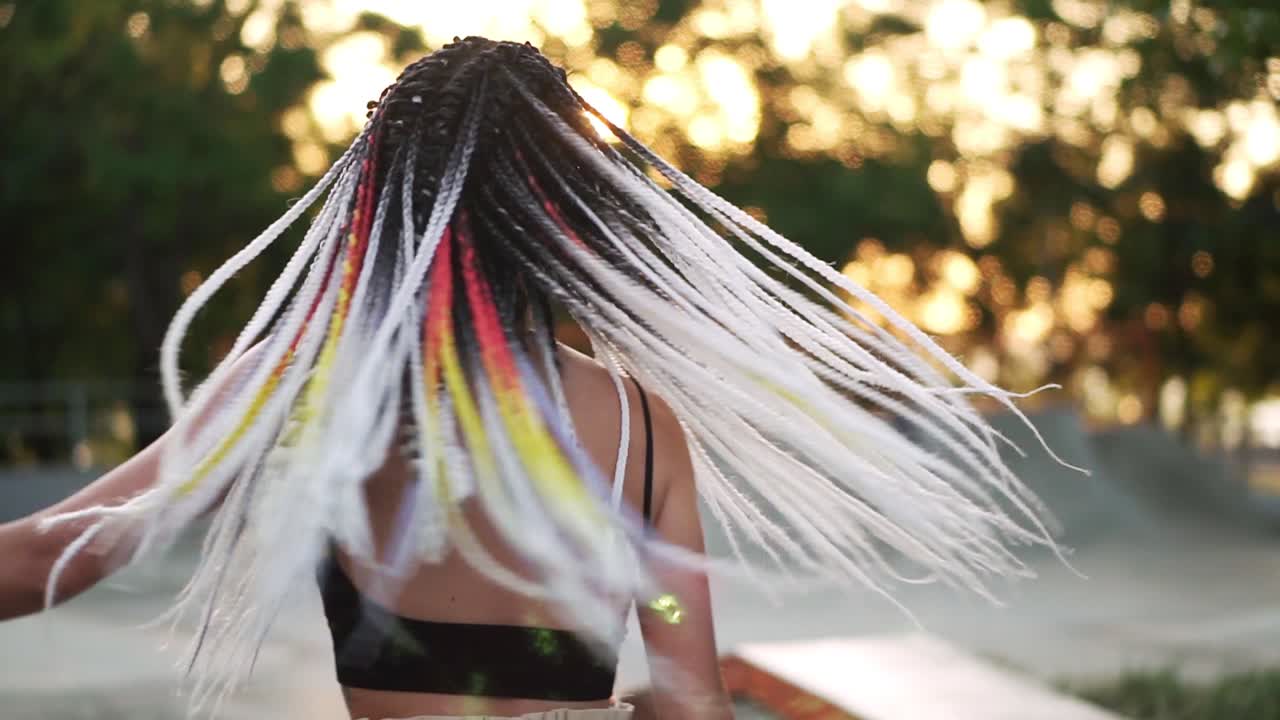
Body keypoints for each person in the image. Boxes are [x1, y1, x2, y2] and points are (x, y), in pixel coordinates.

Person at [0, 37, 1071, 720]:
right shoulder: (639, 427)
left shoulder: (306, 382)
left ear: (385, 209)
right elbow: (689, 697)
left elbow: (63, 555)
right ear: (575, 223)